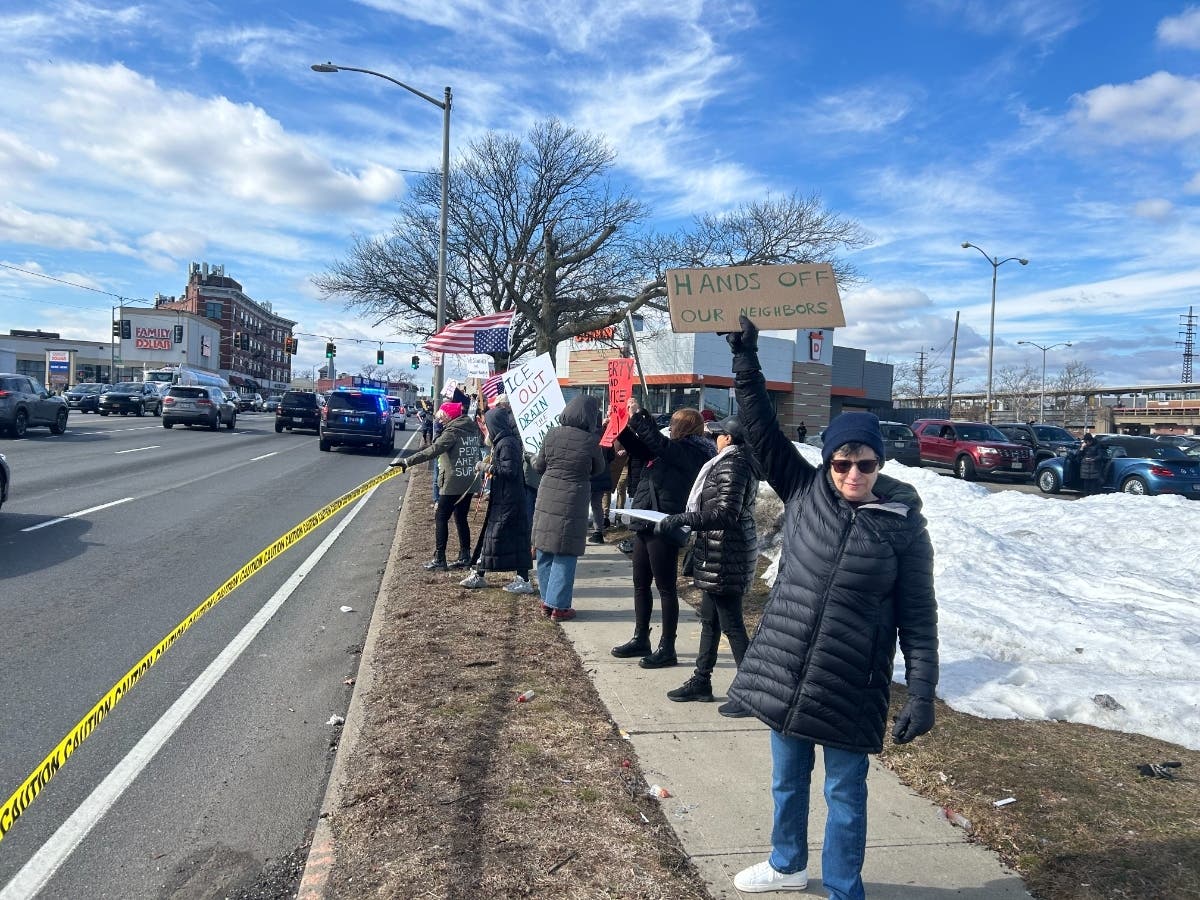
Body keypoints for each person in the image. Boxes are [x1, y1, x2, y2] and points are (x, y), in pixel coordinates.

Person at [722, 314, 939, 900]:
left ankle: (845, 888)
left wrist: (920, 694)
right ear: (827, 461)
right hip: (788, 665)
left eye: (864, 463)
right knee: (787, 781)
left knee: (846, 794)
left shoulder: (904, 529)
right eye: (841, 462)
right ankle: (786, 862)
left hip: (852, 680)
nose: (852, 473)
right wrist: (746, 359)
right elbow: (762, 430)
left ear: (880, 464)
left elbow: (919, 619)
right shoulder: (804, 489)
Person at [652, 415, 759, 703]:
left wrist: (683, 519)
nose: (714, 439)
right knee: (710, 621)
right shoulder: (728, 462)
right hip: (718, 551)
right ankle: (701, 681)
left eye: (718, 435)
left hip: (727, 553)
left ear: (730, 439)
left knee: (731, 624)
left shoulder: (733, 465)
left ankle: (752, 692)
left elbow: (725, 513)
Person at [613, 401, 715, 668]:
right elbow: (641, 449)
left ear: (685, 427)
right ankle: (640, 637)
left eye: (674, 423)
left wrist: (639, 416)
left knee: (666, 588)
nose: (670, 427)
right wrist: (620, 428)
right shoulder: (669, 449)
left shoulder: (694, 451)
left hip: (665, 522)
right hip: (646, 518)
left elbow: (660, 445)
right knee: (640, 583)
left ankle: (667, 646)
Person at [531, 395, 606, 622]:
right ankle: (559, 607)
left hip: (547, 492)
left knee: (544, 547)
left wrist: (532, 459)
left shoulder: (552, 433)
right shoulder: (590, 441)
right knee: (565, 550)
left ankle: (546, 601)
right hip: (574, 495)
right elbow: (599, 469)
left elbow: (539, 465)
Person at [390, 401, 483, 571]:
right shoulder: (472, 428)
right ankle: (465, 556)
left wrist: (407, 462)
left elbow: (432, 451)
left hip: (453, 482)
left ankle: (440, 558)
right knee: (461, 518)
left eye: (442, 417)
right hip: (470, 480)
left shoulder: (452, 432)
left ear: (449, 416)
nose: (440, 420)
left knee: (441, 517)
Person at [459, 404, 536, 594]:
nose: (484, 428)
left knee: (497, 538)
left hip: (509, 500)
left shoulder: (507, 443)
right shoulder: (502, 441)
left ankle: (517, 579)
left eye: (487, 424)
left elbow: (509, 471)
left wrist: (486, 468)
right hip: (504, 498)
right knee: (497, 538)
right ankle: (482, 574)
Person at [588, 433, 616, 544]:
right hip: (603, 474)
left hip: (589, 475)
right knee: (597, 505)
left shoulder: (586, 436)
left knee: (581, 506)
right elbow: (612, 456)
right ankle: (598, 533)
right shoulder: (606, 436)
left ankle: (579, 533)